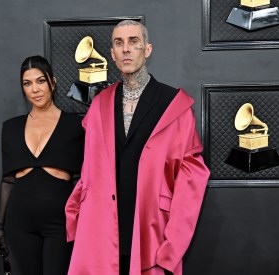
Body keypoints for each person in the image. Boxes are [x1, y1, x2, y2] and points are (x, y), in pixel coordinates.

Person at [65, 20, 210, 275]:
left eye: (134, 42)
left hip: (151, 231)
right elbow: (88, 170)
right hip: (101, 232)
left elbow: (191, 182)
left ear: (148, 49)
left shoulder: (173, 103)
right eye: (119, 43)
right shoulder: (100, 104)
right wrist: (76, 216)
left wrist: (173, 244)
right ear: (112, 53)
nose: (126, 49)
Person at [0, 55, 84, 275]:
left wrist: (85, 224)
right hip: (20, 224)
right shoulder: (11, 128)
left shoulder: (75, 125)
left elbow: (81, 181)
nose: (35, 89)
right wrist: (0, 228)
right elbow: (7, 181)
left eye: (40, 81)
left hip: (60, 223)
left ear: (53, 82)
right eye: (27, 83)